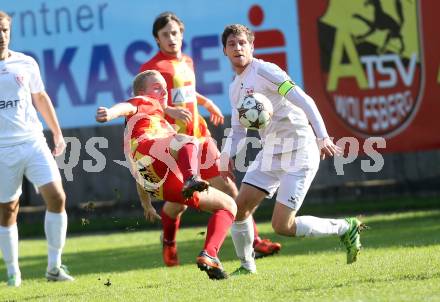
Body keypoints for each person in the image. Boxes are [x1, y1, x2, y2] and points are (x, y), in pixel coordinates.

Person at [219, 24, 367, 275]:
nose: (238, 48)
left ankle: (345, 227)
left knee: (282, 225)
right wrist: (224, 157)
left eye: (242, 43)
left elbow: (304, 99)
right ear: (225, 51)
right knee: (239, 208)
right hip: (271, 153)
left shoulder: (265, 71)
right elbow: (238, 132)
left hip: (300, 149)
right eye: (232, 44)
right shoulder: (235, 89)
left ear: (252, 47)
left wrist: (322, 137)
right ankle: (247, 267)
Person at [139, 12, 281, 266]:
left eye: (175, 33)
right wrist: (169, 111)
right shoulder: (153, 69)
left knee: (228, 188)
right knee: (179, 205)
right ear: (157, 40)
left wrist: (207, 103)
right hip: (176, 146)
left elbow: (186, 93)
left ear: (182, 34)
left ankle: (255, 241)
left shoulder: (187, 62)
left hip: (200, 138)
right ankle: (169, 242)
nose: (171, 38)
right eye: (165, 35)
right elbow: (144, 104)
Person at [96, 69, 237, 280]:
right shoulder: (145, 103)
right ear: (143, 92)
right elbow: (127, 106)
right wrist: (110, 112)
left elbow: (140, 174)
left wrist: (146, 205)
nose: (164, 91)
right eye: (157, 87)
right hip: (158, 158)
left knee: (229, 206)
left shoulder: (150, 127)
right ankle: (192, 178)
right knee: (186, 141)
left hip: (161, 183)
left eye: (165, 88)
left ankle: (210, 255)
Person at [0, 11, 74, 287]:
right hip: (2, 151)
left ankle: (54, 267)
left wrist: (56, 132)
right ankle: (13, 273)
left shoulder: (25, 62)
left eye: (4, 30)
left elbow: (40, 97)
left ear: (9, 31)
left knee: (57, 197)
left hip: (32, 142)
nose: (1, 35)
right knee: (8, 210)